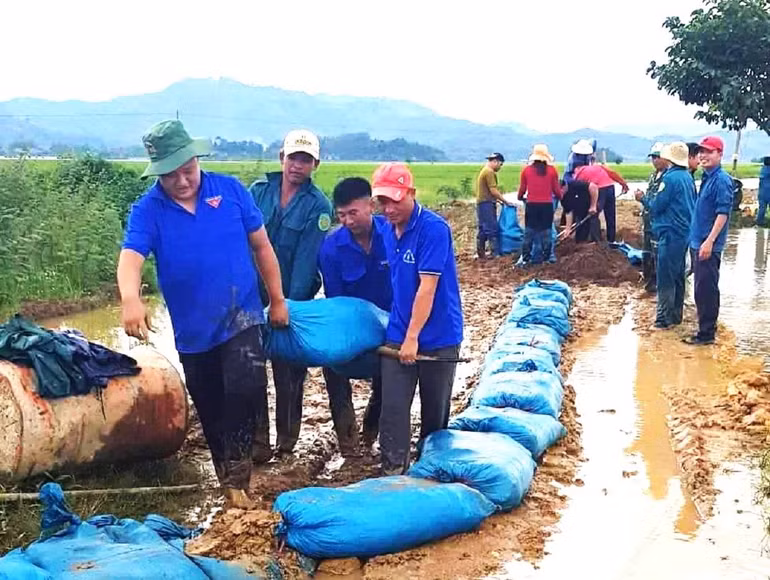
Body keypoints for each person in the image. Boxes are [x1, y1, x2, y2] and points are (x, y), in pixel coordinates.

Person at [118, 120, 289, 509]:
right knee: (210, 406)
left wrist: (277, 299)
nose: (181, 181)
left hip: (242, 314)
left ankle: (241, 477)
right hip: (194, 330)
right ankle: (227, 481)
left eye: (187, 171)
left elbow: (262, 248)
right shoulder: (148, 209)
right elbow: (131, 258)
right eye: (170, 175)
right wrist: (131, 298)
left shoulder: (229, 191)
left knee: (244, 388)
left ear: (197, 159)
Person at [372, 162, 463, 475]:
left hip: (438, 335)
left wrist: (413, 338)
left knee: (434, 413)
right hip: (399, 330)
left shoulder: (433, 230)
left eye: (395, 200)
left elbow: (428, 288)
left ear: (411, 193)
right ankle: (393, 469)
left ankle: (431, 468)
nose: (389, 208)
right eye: (383, 201)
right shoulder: (385, 228)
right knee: (393, 408)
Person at [249, 129, 333, 457]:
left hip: (291, 301)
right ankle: (258, 443)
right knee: (251, 371)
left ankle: (286, 443)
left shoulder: (319, 207)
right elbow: (244, 244)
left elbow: (305, 263)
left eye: (305, 160)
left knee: (288, 374)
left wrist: (285, 306)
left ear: (315, 164)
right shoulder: (258, 192)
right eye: (293, 157)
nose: (297, 165)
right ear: (281, 158)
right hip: (251, 299)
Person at [318, 177, 392, 456]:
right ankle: (347, 442)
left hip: (389, 326)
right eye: (341, 215)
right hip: (350, 325)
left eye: (353, 213)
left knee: (391, 375)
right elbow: (337, 302)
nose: (347, 221)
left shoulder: (393, 234)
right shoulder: (331, 248)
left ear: (371, 206)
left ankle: (371, 433)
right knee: (332, 365)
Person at [685, 136, 733, 345]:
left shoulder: (722, 180)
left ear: (720, 154)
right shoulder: (706, 177)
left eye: (709, 151)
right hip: (697, 241)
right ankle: (703, 329)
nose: (703, 155)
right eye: (701, 152)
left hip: (707, 244)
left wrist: (710, 241)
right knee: (699, 288)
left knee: (706, 289)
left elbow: (723, 213)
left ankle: (706, 334)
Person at [649, 142, 696, 329]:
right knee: (678, 276)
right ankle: (676, 316)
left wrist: (643, 199)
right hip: (684, 232)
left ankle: (662, 320)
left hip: (670, 233)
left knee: (665, 277)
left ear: (668, 158)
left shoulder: (669, 179)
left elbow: (657, 206)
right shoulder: (687, 177)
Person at [572, 140, 629, 243]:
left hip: (600, 189)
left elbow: (579, 191)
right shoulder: (598, 167)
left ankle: (596, 242)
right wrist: (623, 183)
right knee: (610, 215)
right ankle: (611, 240)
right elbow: (612, 173)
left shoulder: (578, 173)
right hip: (610, 187)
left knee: (593, 214)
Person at [516, 144, 562, 266]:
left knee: (529, 232)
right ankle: (546, 259)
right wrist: (561, 196)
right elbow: (557, 190)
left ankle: (526, 259)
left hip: (532, 205)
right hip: (546, 206)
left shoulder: (526, 170)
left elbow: (522, 190)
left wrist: (520, 198)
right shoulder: (552, 171)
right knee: (546, 233)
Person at [634, 143, 669, 293]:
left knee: (657, 254)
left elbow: (658, 203)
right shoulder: (653, 176)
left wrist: (643, 200)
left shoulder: (668, 178)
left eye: (657, 157)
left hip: (658, 223)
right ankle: (648, 281)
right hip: (649, 221)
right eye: (653, 157)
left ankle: (655, 283)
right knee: (647, 252)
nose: (654, 160)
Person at [476, 152, 513, 259]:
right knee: (492, 228)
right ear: (495, 161)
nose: (500, 167)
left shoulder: (485, 170)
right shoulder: (489, 172)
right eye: (500, 165)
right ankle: (495, 253)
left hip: (482, 203)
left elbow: (488, 191)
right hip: (486, 204)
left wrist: (498, 200)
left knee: (483, 229)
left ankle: (481, 253)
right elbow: (493, 190)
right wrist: (505, 201)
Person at [559, 154, 600, 243]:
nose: (560, 195)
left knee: (592, 224)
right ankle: (581, 244)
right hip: (580, 210)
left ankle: (596, 243)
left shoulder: (575, 184)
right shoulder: (562, 197)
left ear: (564, 187)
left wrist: (593, 206)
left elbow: (593, 187)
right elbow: (568, 212)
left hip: (591, 202)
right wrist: (568, 229)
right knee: (580, 232)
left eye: (560, 192)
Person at [756, 157, 770, 227]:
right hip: (768, 193)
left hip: (761, 193)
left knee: (762, 208)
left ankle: (759, 222)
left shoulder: (763, 169)